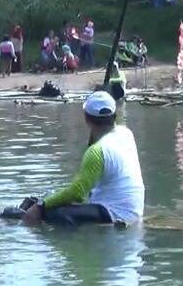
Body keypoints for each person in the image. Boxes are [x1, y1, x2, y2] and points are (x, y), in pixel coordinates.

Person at [22, 91, 145, 225]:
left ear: (86, 118)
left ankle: (72, 241)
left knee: (54, 213)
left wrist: (41, 206)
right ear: (114, 116)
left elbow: (78, 193)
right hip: (133, 209)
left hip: (117, 214)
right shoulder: (126, 133)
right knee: (47, 198)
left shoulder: (97, 151)